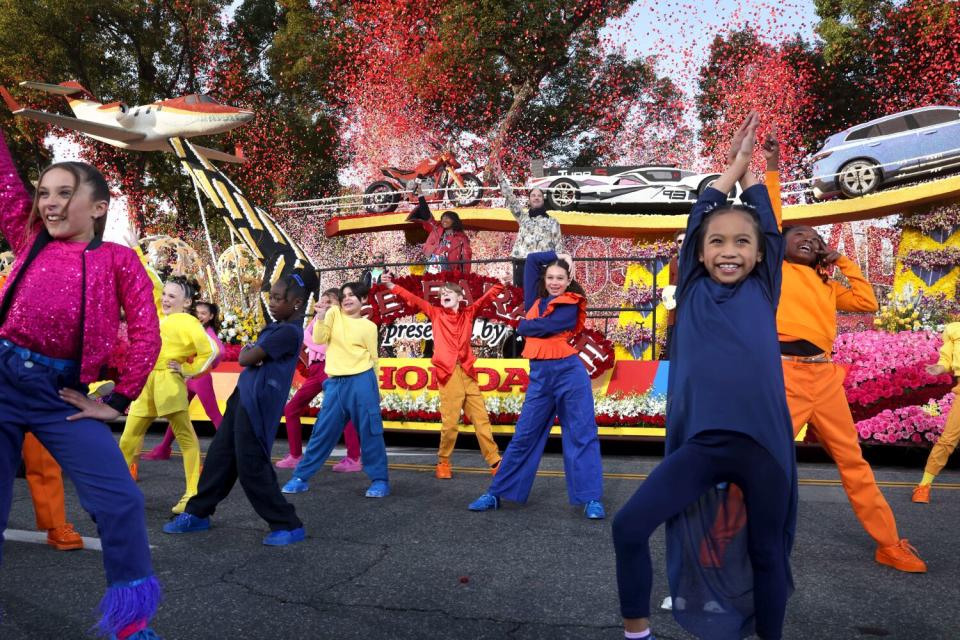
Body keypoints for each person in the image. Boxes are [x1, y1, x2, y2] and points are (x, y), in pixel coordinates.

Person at [612, 113, 797, 640]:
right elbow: (699, 217)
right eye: (717, 243)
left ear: (760, 254)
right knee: (628, 528)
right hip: (702, 445)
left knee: (767, 553)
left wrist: (755, 177)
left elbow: (766, 223)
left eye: (742, 243)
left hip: (762, 449)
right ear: (698, 253)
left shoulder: (764, 289)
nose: (729, 251)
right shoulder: (691, 289)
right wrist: (733, 167)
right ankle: (637, 632)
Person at [0, 132, 163, 639]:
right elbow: (5, 184)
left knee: (121, 503)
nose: (48, 202)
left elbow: (146, 332)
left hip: (61, 397)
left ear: (98, 207)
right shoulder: (28, 240)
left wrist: (118, 399)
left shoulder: (118, 260)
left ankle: (131, 623)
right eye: (44, 192)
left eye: (64, 192)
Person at [163, 274, 313, 546]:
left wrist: (252, 350)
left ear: (297, 302)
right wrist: (253, 351)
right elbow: (251, 356)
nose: (273, 303)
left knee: (251, 464)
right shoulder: (277, 328)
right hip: (242, 397)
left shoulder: (288, 331)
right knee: (220, 457)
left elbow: (246, 357)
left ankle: (287, 523)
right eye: (271, 298)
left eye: (279, 299)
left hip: (257, 405)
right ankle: (198, 512)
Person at [467, 250, 605, 519]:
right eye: (551, 276)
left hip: (569, 374)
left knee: (581, 434)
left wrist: (525, 325)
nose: (554, 282)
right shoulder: (535, 299)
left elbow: (540, 327)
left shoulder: (572, 301)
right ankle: (496, 493)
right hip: (541, 377)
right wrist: (559, 253)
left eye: (560, 278)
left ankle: (591, 499)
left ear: (568, 280)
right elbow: (531, 261)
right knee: (524, 435)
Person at [382, 273, 503, 478]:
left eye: (448, 293)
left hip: (468, 372)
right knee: (451, 423)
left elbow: (486, 298)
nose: (443, 294)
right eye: (442, 293)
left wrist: (502, 284)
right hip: (448, 373)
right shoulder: (436, 313)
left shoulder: (468, 313)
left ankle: (494, 461)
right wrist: (391, 285)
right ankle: (444, 462)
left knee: (481, 420)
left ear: (459, 297)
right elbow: (413, 299)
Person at [119, 275, 219, 514]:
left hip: (169, 382)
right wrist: (136, 251)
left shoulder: (188, 322)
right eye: (165, 294)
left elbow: (211, 351)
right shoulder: (158, 314)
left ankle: (192, 494)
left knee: (185, 438)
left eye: (171, 296)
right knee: (127, 439)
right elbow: (150, 280)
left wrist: (187, 370)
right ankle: (119, 492)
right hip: (147, 383)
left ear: (186, 303)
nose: (165, 299)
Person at [281, 281, 390, 498]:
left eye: (352, 295)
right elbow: (320, 338)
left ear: (364, 300)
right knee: (322, 431)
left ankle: (380, 480)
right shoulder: (332, 315)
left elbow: (374, 358)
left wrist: (376, 387)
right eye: (344, 295)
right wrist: (320, 317)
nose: (347, 298)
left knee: (371, 430)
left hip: (363, 380)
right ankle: (300, 477)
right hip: (336, 382)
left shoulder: (369, 327)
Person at [276, 288, 363, 472]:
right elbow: (304, 339)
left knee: (344, 412)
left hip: (329, 369)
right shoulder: (317, 320)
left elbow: (322, 346)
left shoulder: (339, 322)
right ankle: (295, 455)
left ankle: (354, 457)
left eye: (329, 302)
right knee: (291, 409)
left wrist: (302, 335)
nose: (323, 304)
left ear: (338, 306)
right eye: (322, 301)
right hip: (315, 371)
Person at [142, 300, 225, 461]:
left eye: (203, 313)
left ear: (210, 316)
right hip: (188, 378)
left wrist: (202, 368)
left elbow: (220, 352)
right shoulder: (193, 328)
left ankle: (229, 449)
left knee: (213, 414)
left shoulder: (208, 333)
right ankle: (164, 448)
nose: (199, 315)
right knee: (178, 413)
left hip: (200, 379)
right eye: (198, 312)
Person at [492, 163, 564, 287]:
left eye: (539, 196)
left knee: (541, 301)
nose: (536, 198)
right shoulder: (523, 217)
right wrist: (500, 177)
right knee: (522, 300)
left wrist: (558, 269)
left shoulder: (553, 222)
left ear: (543, 199)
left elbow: (558, 247)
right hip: (522, 264)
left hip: (544, 267)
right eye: (533, 195)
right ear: (529, 200)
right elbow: (510, 198)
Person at [912, 321, 960, 503]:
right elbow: (946, 360)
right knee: (948, 439)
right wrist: (940, 368)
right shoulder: (954, 329)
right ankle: (923, 486)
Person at [406, 188, 473, 273]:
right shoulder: (436, 228)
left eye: (447, 218)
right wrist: (420, 194)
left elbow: (466, 258)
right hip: (431, 267)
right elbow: (426, 213)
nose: (444, 220)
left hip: (450, 271)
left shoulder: (462, 238)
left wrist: (464, 275)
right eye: (443, 218)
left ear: (454, 221)